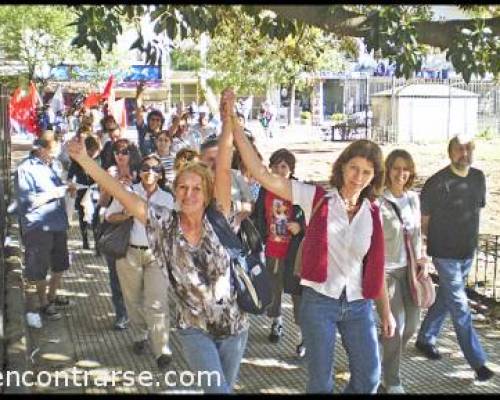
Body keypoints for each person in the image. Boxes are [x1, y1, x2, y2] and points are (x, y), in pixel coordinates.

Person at [65, 90, 249, 393]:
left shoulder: (221, 216)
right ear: (175, 191)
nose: (189, 194)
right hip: (194, 329)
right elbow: (120, 191)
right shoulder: (163, 223)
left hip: (235, 327)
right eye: (183, 188)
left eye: (196, 189)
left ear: (208, 192)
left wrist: (228, 117)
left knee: (220, 388)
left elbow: (225, 156)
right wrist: (84, 160)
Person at [223, 88, 395, 394]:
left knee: (369, 379)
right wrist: (234, 124)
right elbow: (262, 175)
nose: (358, 176)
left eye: (366, 172)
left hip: (359, 305)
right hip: (320, 302)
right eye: (354, 168)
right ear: (342, 166)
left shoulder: (373, 212)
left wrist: (385, 311)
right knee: (320, 382)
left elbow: (375, 267)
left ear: (374, 176)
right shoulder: (316, 198)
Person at [415, 135, 494, 382]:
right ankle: (478, 363)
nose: (465, 153)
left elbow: (475, 212)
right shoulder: (437, 182)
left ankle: (425, 338)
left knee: (448, 299)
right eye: (459, 149)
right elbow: (424, 222)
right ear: (450, 152)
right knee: (460, 306)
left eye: (469, 148)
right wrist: (437, 246)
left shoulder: (478, 178)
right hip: (444, 253)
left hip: (467, 253)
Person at [105, 154, 174, 370]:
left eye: (155, 169)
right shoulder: (129, 192)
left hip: (157, 255)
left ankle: (162, 348)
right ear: (139, 171)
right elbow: (109, 216)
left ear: (161, 175)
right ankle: (141, 333)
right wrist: (127, 213)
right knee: (132, 299)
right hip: (129, 253)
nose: (149, 172)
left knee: (157, 302)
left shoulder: (168, 198)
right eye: (145, 168)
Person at [379, 149, 428, 394]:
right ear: (388, 170)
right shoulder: (378, 201)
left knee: (411, 325)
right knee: (395, 326)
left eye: (405, 168)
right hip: (386, 273)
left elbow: (417, 232)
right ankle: (391, 379)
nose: (401, 173)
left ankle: (380, 353)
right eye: (396, 168)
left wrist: (421, 258)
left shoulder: (413, 199)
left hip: (409, 270)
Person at [251, 148, 306, 357]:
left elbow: (314, 216)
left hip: (294, 253)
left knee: (298, 295)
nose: (280, 170)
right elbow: (258, 216)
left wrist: (300, 226)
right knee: (274, 291)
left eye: (284, 166)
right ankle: (276, 322)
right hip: (272, 249)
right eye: (276, 166)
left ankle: (303, 336)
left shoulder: (299, 190)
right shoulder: (265, 190)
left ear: (291, 170)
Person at [15, 138, 76, 324]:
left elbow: (60, 187)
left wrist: (68, 189)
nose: (55, 155)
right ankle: (42, 303)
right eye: (53, 150)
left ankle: (52, 296)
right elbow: (28, 201)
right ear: (41, 150)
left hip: (57, 222)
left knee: (60, 263)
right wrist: (56, 193)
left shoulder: (50, 165)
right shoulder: (25, 169)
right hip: (38, 225)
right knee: (39, 266)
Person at [98, 139, 139, 330]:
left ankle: (138, 314)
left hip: (138, 229)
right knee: (115, 276)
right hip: (115, 228)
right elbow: (103, 203)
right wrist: (109, 184)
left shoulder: (141, 173)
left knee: (139, 275)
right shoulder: (110, 173)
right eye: (117, 152)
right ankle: (121, 315)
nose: (120, 156)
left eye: (124, 152)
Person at [67, 135, 101, 250]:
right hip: (82, 190)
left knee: (96, 217)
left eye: (94, 151)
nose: (92, 153)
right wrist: (71, 185)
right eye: (90, 151)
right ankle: (85, 240)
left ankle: (97, 243)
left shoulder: (98, 160)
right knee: (83, 217)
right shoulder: (77, 161)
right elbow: (70, 176)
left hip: (95, 191)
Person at [136, 82, 164, 156]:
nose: (155, 122)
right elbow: (139, 111)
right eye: (152, 119)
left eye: (158, 120)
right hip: (144, 164)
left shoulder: (164, 135)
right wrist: (139, 94)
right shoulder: (143, 130)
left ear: (161, 122)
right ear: (148, 121)